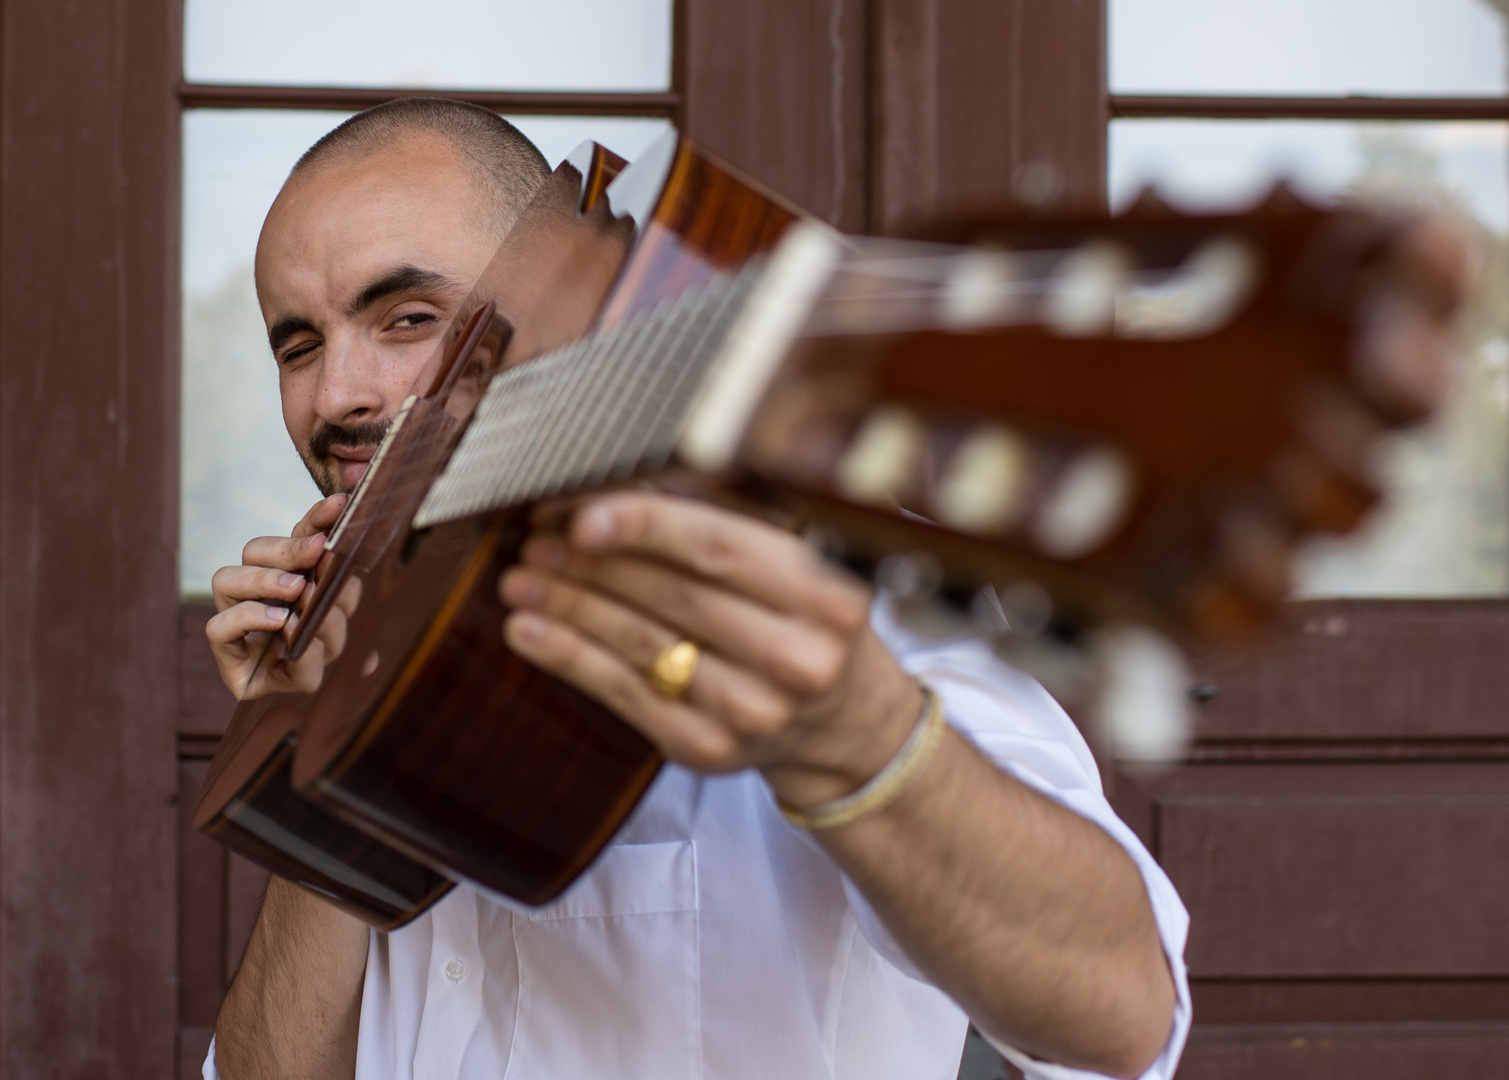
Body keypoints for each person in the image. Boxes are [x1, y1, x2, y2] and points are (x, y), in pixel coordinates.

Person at [205, 97, 1191, 1080]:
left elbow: (1125, 1014)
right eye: (299, 346)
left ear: (559, 304)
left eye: (407, 317)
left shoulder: (819, 582)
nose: (336, 395)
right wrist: (325, 768)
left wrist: (850, 728)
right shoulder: (355, 641)